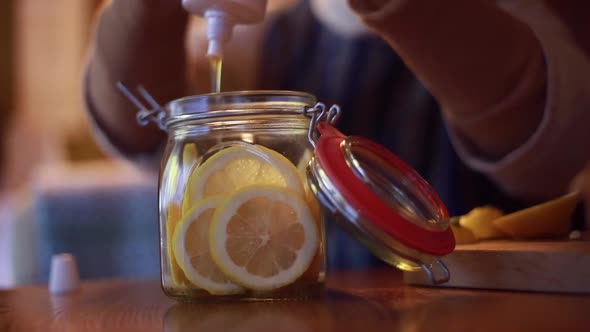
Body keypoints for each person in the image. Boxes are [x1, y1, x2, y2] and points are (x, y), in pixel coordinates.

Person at [84, 0, 590, 268]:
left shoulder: (513, 18)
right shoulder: (268, 41)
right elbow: (141, 126)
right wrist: (146, 9)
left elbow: (551, 146)